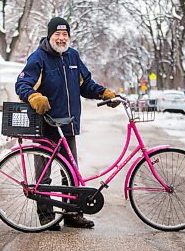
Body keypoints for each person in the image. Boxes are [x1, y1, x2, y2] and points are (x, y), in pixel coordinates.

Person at [15, 16, 119, 230]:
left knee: (70, 172)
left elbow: (86, 84)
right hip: (45, 125)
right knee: (43, 174)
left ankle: (72, 213)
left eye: (65, 35)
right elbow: (22, 83)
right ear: (50, 35)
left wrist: (103, 93)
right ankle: (46, 216)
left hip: (68, 125)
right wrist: (34, 97)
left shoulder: (73, 56)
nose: (61, 38)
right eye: (57, 34)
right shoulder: (39, 58)